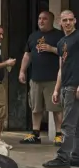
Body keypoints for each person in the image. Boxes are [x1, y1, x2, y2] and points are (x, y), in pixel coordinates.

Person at [19, 11, 64, 144]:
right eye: (39, 18)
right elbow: (27, 55)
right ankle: (35, 134)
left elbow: (65, 53)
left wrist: (52, 49)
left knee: (56, 108)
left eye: (44, 19)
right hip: (35, 78)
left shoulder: (59, 36)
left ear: (51, 20)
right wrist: (22, 71)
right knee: (35, 107)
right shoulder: (33, 36)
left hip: (53, 79)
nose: (41, 21)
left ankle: (59, 134)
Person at [46, 10, 79, 168]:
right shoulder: (61, 43)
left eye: (70, 20)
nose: (67, 23)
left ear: (75, 21)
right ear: (60, 22)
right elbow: (61, 67)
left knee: (67, 124)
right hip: (66, 85)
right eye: (64, 20)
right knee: (75, 124)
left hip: (74, 86)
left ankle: (63, 157)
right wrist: (56, 90)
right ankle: (76, 156)